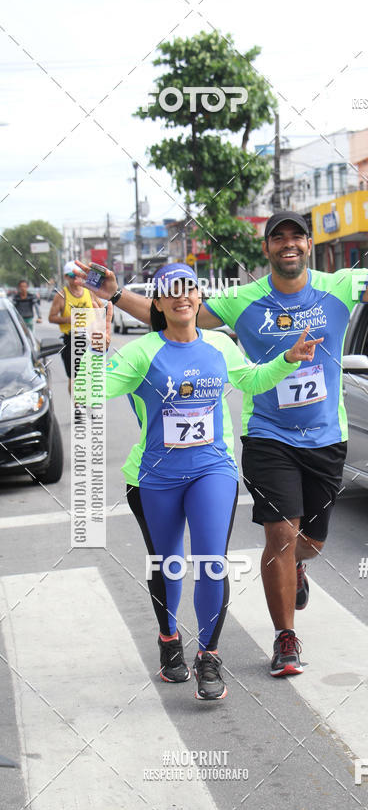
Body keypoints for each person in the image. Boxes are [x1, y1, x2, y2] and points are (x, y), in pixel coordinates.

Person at [74, 190, 368, 677]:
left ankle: (298, 563)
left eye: (297, 236)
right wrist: (113, 297)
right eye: (279, 238)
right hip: (268, 436)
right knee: (279, 535)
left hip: (325, 437)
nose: (289, 244)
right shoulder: (244, 300)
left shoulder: (339, 286)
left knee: (308, 542)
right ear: (268, 249)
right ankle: (285, 638)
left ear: (309, 245)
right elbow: (174, 315)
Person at [76, 262, 322, 700]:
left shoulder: (220, 345)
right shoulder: (141, 353)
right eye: (170, 290)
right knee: (168, 563)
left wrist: (287, 359)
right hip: (155, 476)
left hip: (213, 469)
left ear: (198, 295)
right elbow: (86, 394)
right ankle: (169, 638)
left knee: (211, 562)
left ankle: (209, 656)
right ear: (157, 302)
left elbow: (252, 380)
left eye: (188, 287)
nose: (181, 296)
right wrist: (95, 345)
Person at [48, 261, 99, 396]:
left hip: (89, 339)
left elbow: (100, 309)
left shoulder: (89, 292)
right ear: (66, 277)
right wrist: (68, 319)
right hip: (71, 340)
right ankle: (77, 405)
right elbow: (51, 317)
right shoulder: (61, 296)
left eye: (78, 275)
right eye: (72, 275)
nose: (76, 278)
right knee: (75, 377)